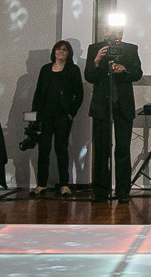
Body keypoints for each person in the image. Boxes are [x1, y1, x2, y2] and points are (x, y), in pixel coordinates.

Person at [85, 25, 143, 203]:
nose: (117, 34)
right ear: (105, 32)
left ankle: (123, 191)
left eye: (120, 30)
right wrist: (96, 61)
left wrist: (123, 70)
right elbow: (89, 76)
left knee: (123, 149)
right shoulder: (95, 49)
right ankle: (101, 191)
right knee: (102, 150)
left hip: (123, 105)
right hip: (102, 105)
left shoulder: (131, 49)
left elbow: (138, 73)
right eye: (113, 30)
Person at [30, 40, 84, 197]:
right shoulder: (45, 69)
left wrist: (70, 113)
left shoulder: (72, 70)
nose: (61, 52)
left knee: (62, 149)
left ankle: (64, 184)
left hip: (62, 116)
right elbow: (38, 93)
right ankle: (41, 184)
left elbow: (79, 94)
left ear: (69, 53)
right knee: (43, 150)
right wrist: (35, 114)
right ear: (54, 51)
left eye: (64, 50)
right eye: (58, 49)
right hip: (45, 115)